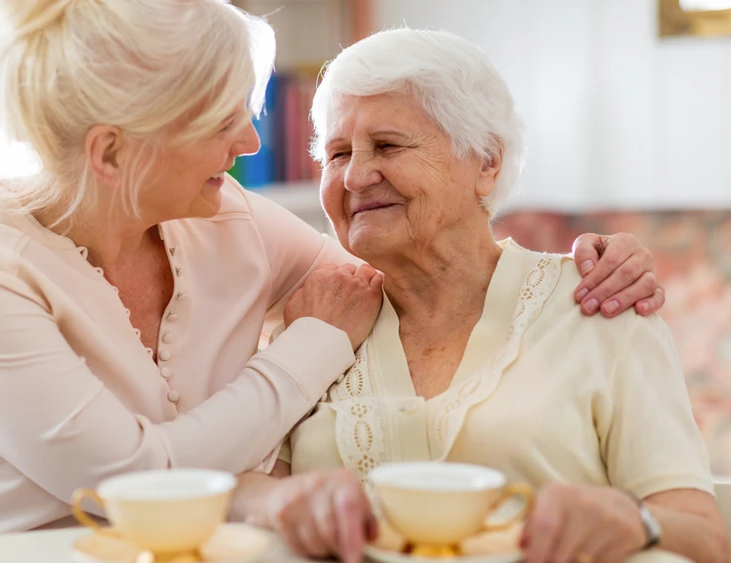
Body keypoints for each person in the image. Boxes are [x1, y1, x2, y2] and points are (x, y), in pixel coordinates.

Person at [0, 2, 666, 561]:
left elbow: (396, 273)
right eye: (221, 121)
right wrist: (309, 349)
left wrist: (584, 265)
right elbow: (138, 483)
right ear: (113, 154)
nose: (251, 140)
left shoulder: (222, 219)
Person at [231, 28, 727, 563]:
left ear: (486, 163)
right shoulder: (319, 322)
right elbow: (238, 489)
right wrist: (284, 499)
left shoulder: (599, 305)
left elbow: (706, 539)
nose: (355, 175)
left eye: (388, 145)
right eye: (337, 153)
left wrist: (635, 521)